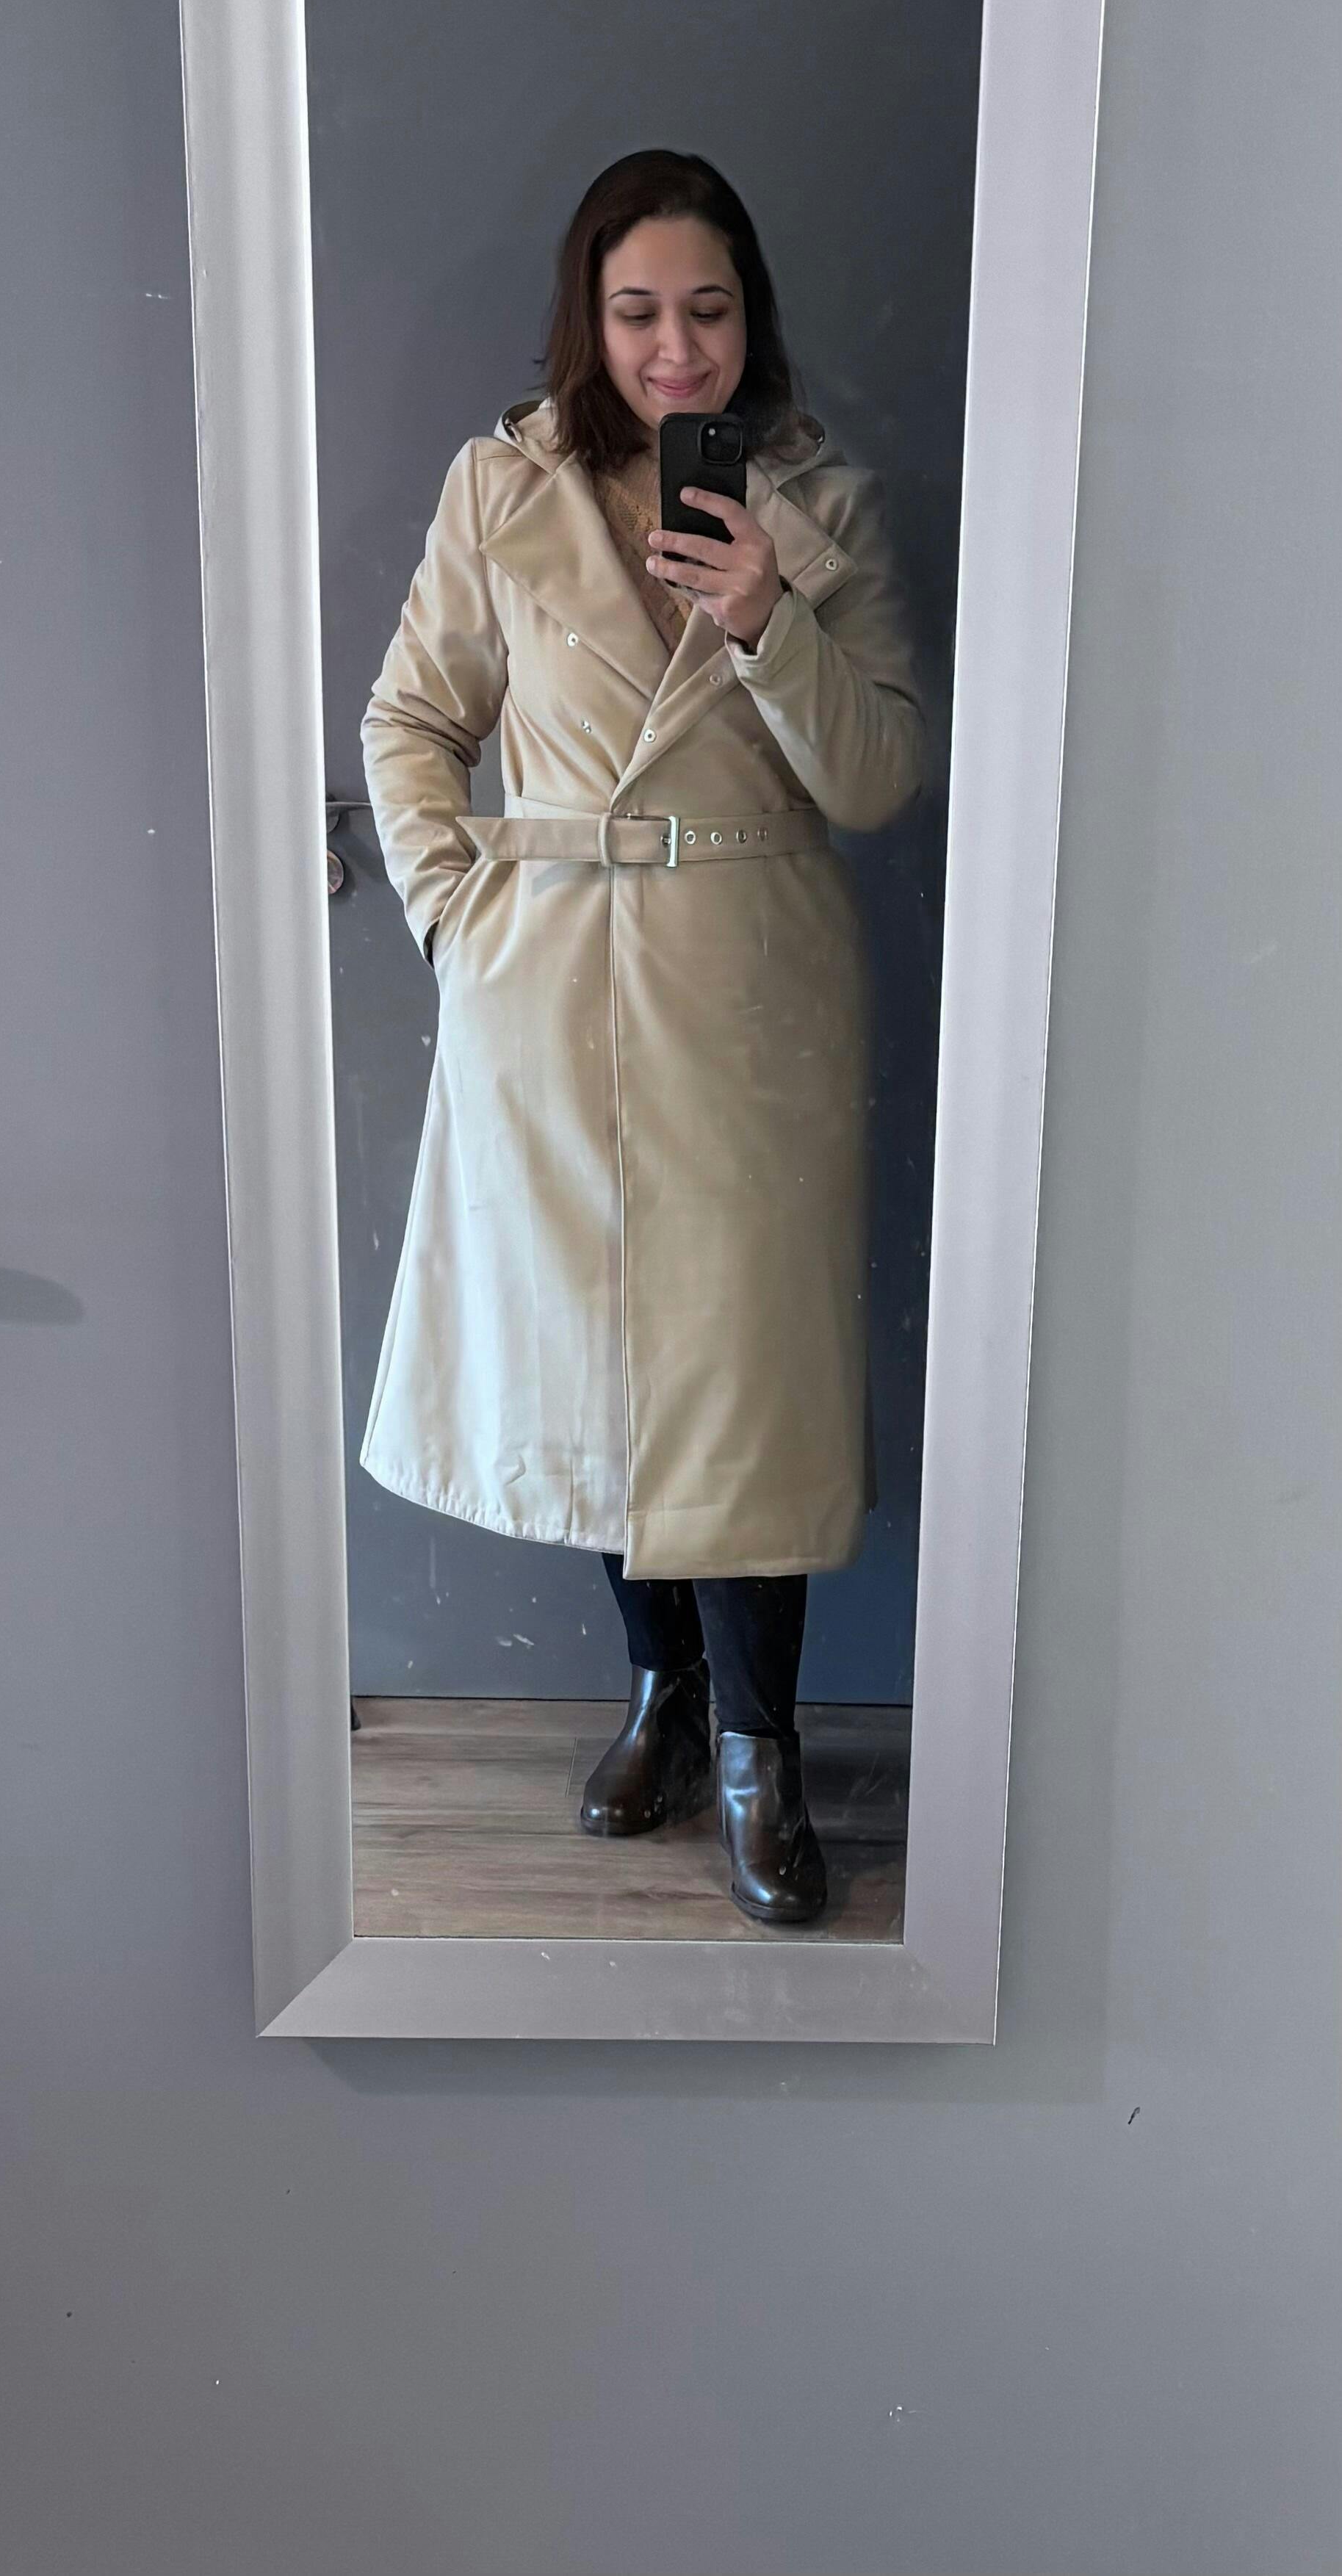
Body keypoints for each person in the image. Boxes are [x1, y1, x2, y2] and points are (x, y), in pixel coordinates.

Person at [358, 148, 923, 1927]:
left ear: (750, 316)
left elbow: (879, 773)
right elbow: (410, 717)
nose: (676, 348)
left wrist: (765, 616)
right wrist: (457, 914)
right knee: (591, 1365)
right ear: (586, 321)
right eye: (636, 311)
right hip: (548, 981)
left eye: (707, 308)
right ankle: (663, 1689)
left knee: (741, 1381)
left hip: (752, 987)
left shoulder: (821, 499)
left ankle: (762, 1747)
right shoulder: (502, 485)